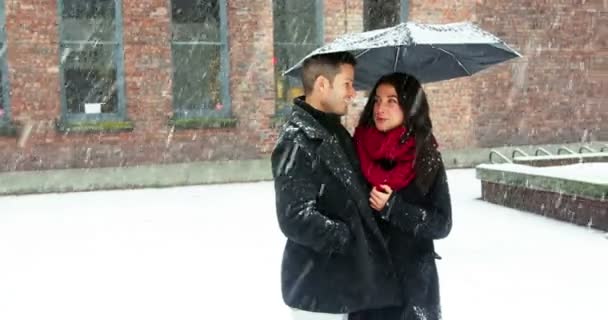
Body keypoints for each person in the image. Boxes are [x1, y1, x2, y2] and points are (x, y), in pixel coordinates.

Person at [271, 53, 402, 320]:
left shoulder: (333, 131)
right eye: (347, 84)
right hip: (317, 292)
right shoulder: (298, 141)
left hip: (340, 286)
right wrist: (348, 236)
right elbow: (295, 218)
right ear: (322, 84)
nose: (352, 93)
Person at [350, 73, 453, 320]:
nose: (380, 108)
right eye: (376, 100)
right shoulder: (356, 150)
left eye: (391, 101)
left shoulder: (425, 156)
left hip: (412, 290)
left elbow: (441, 224)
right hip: (369, 288)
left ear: (409, 107)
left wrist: (394, 208)